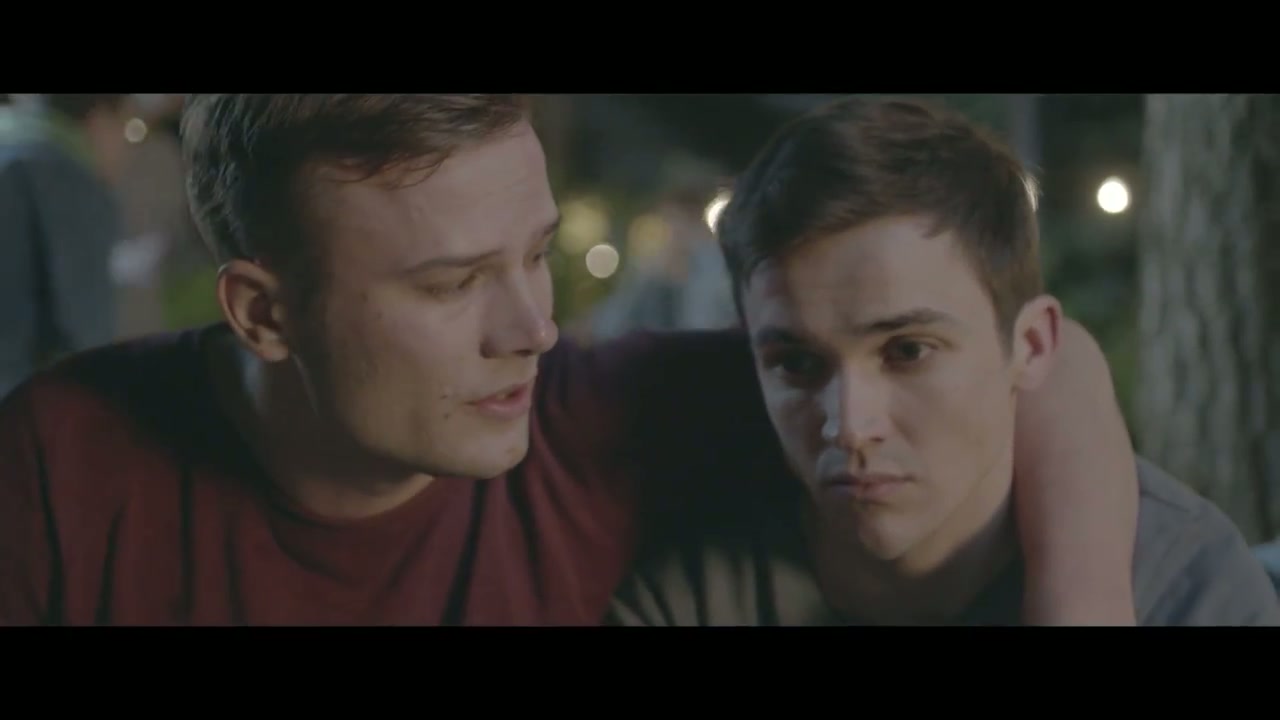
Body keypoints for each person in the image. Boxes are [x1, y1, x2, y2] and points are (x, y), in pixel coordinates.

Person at [0, 94, 1138, 626]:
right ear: (264, 313)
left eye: (535, 256)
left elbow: (1041, 360)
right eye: (451, 284)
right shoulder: (64, 460)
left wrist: (1080, 603)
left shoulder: (590, 420)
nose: (532, 329)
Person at [605, 96, 1280, 626]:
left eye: (907, 351)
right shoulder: (694, 597)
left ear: (1031, 346)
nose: (851, 425)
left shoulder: (1186, 593)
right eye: (797, 364)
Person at [0, 94, 134, 397]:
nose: (127, 149)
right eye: (128, 129)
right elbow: (83, 333)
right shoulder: (65, 179)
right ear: (100, 119)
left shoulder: (9, 150)